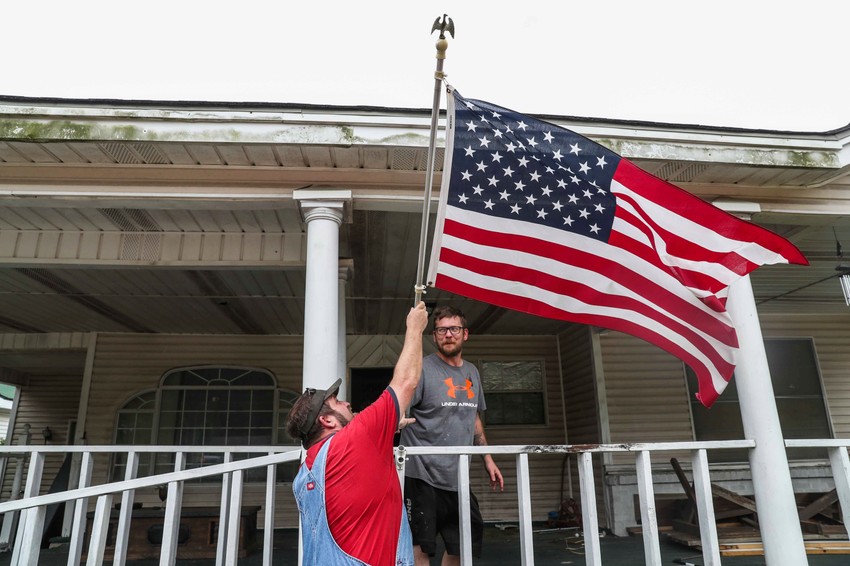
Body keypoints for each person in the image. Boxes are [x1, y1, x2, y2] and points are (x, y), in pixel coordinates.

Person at [286, 301, 428, 566]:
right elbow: (406, 382)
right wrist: (415, 328)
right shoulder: (357, 439)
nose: (347, 403)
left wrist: (387, 429)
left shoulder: (306, 469)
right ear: (326, 419)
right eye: (337, 403)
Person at [399, 305, 504, 565]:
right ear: (434, 336)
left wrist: (487, 458)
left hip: (457, 475)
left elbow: (474, 418)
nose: (448, 334)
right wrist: (395, 418)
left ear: (465, 334)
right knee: (421, 546)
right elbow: (400, 406)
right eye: (442, 330)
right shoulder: (422, 369)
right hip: (421, 474)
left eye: (454, 329)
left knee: (463, 543)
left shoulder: (472, 372)